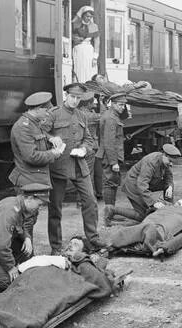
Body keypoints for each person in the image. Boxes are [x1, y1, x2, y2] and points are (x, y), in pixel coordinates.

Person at [42, 83, 101, 253]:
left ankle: (93, 240)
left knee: (90, 201)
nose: (75, 101)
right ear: (66, 95)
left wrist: (84, 148)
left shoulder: (82, 116)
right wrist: (51, 138)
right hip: (58, 167)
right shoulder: (53, 114)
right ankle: (56, 246)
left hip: (79, 166)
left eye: (78, 98)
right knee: (55, 208)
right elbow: (41, 134)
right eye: (72, 97)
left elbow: (89, 139)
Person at [108, 199, 182, 257]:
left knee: (148, 227)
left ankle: (133, 239)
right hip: (156, 226)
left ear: (179, 204)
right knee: (148, 227)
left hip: (156, 227)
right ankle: (142, 239)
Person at [110, 144, 180, 224]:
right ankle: (112, 210)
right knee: (143, 215)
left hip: (147, 183)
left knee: (168, 186)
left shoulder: (166, 162)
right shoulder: (150, 162)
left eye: (173, 162)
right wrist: (154, 203)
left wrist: (170, 187)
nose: (171, 164)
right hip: (133, 185)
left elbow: (169, 179)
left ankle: (168, 208)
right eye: (170, 161)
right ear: (164, 155)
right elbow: (142, 185)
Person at [8, 91, 64, 189]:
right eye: (47, 111)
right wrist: (53, 153)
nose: (48, 115)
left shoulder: (34, 123)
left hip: (37, 178)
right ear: (38, 109)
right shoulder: (23, 127)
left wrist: (52, 138)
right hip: (30, 182)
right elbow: (31, 156)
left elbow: (40, 134)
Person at [98, 92, 127, 226]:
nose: (123, 107)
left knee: (113, 184)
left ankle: (112, 213)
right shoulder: (110, 118)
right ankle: (108, 217)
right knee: (110, 184)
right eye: (120, 105)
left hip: (111, 156)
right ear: (113, 104)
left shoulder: (113, 115)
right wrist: (114, 162)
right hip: (110, 157)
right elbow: (109, 142)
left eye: (124, 105)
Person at [79, 91, 103, 200]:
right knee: (90, 173)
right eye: (93, 102)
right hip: (91, 147)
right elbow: (103, 116)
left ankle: (97, 193)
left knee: (88, 171)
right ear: (87, 104)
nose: (94, 104)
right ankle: (89, 196)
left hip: (81, 146)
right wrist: (102, 102)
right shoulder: (90, 115)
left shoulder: (78, 113)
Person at [71, 6, 99, 83]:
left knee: (89, 70)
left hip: (88, 51)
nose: (89, 18)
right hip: (78, 49)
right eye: (87, 16)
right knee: (79, 69)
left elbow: (97, 42)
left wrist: (95, 57)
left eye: (91, 16)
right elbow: (71, 34)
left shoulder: (94, 26)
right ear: (82, 15)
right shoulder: (76, 24)